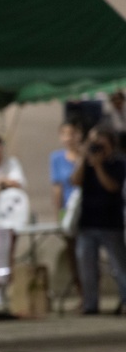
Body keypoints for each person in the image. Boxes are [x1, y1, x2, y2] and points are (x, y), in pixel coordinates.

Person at [71, 125, 126, 315]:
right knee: (87, 267)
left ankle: (125, 300)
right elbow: (75, 181)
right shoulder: (86, 163)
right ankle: (90, 304)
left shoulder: (118, 163)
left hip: (111, 224)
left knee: (119, 266)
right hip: (87, 223)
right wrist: (83, 157)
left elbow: (112, 187)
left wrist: (99, 165)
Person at [50, 120, 83, 219]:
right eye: (63, 134)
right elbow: (57, 188)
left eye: (72, 134)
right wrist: (59, 214)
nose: (68, 138)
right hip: (68, 210)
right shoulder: (56, 158)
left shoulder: (86, 156)